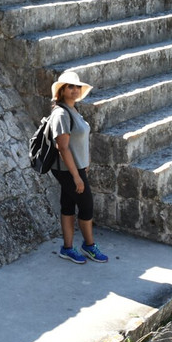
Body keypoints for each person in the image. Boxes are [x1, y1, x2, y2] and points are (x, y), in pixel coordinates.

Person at [48, 70, 109, 264]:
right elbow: (63, 147)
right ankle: (88, 246)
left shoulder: (74, 110)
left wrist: (86, 163)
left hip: (77, 167)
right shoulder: (60, 113)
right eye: (70, 87)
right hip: (68, 170)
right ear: (62, 90)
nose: (75, 90)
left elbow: (79, 141)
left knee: (68, 206)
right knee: (86, 206)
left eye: (77, 87)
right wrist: (76, 176)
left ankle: (67, 248)